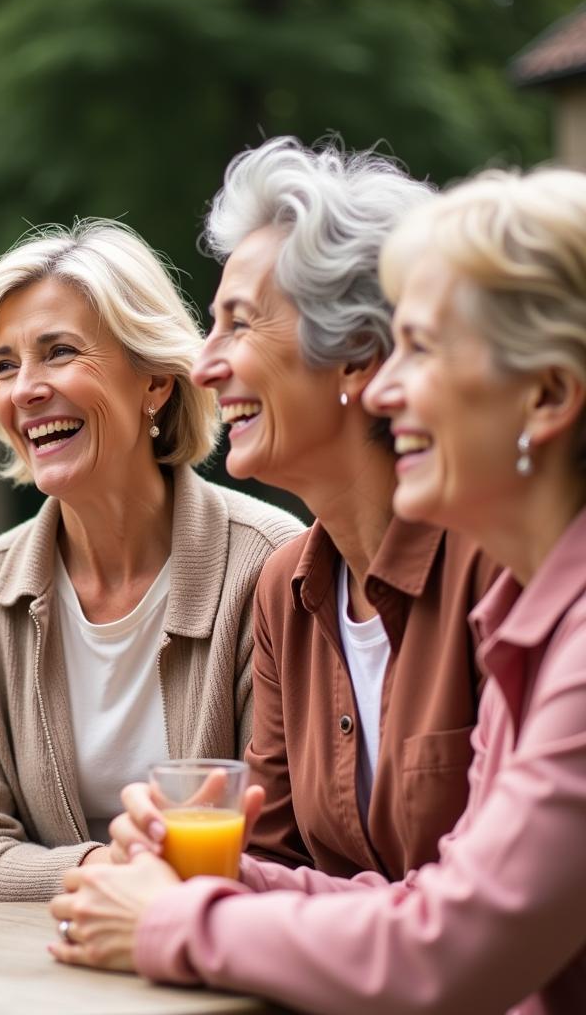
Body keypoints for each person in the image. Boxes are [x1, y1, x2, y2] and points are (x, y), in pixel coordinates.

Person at [50, 166, 586, 1013]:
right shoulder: (521, 607)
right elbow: (419, 903)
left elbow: (450, 946)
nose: (388, 386)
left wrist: (179, 919)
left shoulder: (526, 600)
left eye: (422, 348)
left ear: (549, 395)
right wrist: (209, 875)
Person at [111, 138, 499, 882]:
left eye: (240, 322)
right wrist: (178, 866)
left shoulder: (496, 566)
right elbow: (275, 854)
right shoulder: (285, 588)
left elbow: (477, 914)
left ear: (357, 350)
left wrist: (199, 911)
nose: (202, 363)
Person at [0, 219, 302, 903]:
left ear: (155, 382)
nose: (25, 389)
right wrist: (104, 866)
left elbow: (276, 842)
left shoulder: (267, 561)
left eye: (59, 352)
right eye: (5, 365)